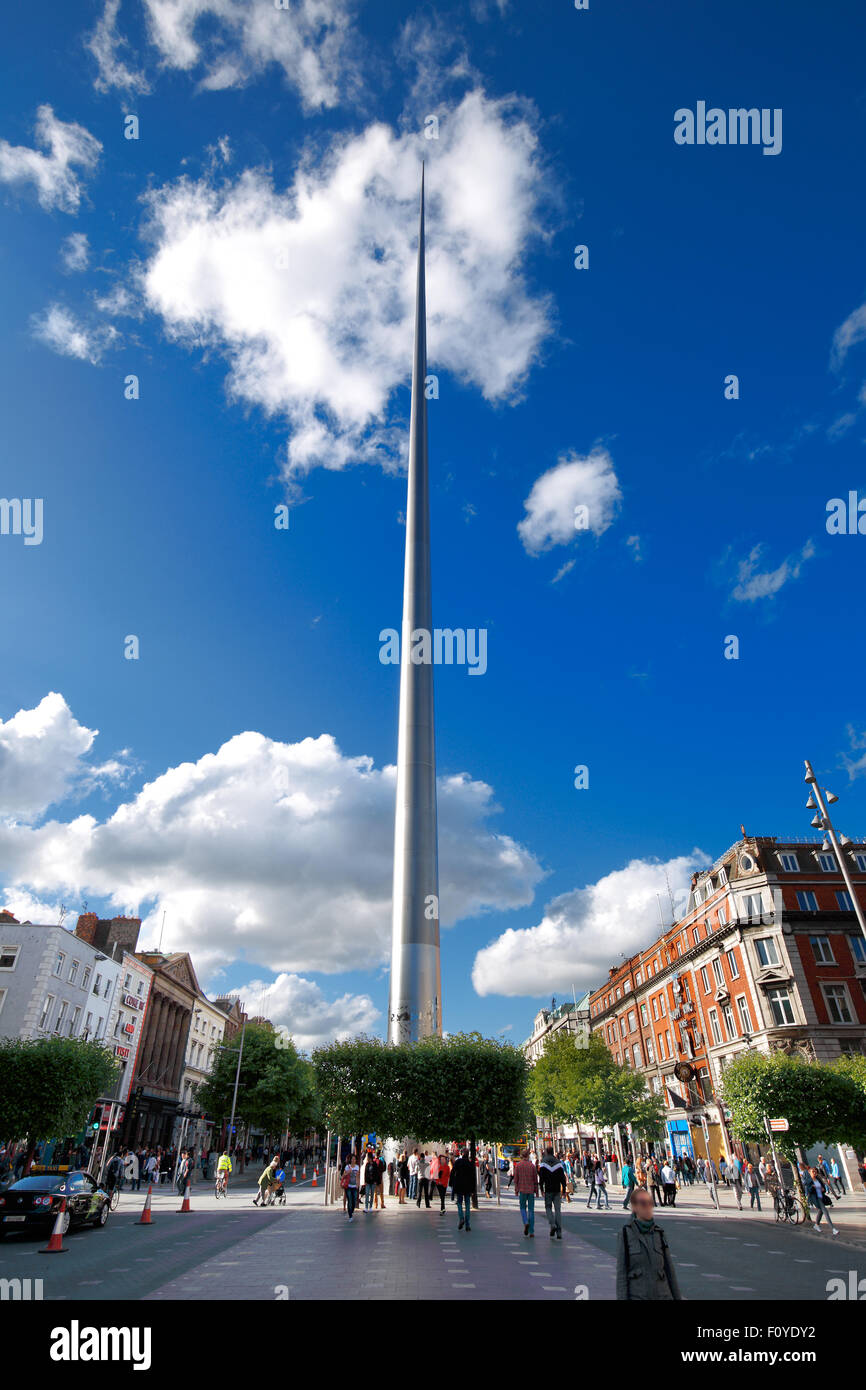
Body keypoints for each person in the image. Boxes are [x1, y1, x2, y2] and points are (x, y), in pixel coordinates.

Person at [616, 1188, 683, 1301]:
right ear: (635, 1207)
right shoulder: (626, 1234)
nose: (647, 1207)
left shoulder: (659, 1233)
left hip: (663, 1295)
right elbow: (621, 1275)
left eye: (650, 1203)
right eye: (643, 1203)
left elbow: (670, 1272)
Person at [539, 1147, 567, 1240]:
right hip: (557, 1189)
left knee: (548, 1207)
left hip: (548, 1189)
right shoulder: (558, 1163)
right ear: (553, 1152)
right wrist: (564, 1190)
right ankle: (559, 1233)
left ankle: (552, 1224)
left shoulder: (543, 1162)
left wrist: (541, 1189)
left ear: (546, 1152)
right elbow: (562, 1177)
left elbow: (541, 1177)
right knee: (558, 1210)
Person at [513, 1148, 539, 1237]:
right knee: (531, 1210)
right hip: (531, 1190)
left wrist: (516, 1190)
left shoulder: (518, 1166)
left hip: (522, 1190)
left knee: (523, 1208)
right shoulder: (532, 1166)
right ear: (528, 1156)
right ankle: (531, 1231)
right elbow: (535, 1180)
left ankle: (525, 1221)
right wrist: (537, 1191)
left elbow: (516, 1180)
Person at [807, 1166, 839, 1236]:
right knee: (825, 1211)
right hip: (816, 1198)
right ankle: (833, 1229)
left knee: (821, 1211)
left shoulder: (818, 1179)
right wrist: (812, 1187)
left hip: (821, 1197)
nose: (814, 1173)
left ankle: (816, 1225)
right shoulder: (809, 1181)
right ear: (809, 1173)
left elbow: (823, 1188)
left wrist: (823, 1189)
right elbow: (808, 1191)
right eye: (813, 1171)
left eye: (815, 1171)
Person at [449, 1148, 475, 1231]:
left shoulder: (458, 1162)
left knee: (459, 1203)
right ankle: (467, 1224)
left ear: (461, 1153)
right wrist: (473, 1189)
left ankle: (461, 1218)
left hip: (459, 1186)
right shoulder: (470, 1163)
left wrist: (451, 1183)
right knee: (467, 1205)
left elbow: (452, 1173)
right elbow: (473, 1177)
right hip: (468, 1187)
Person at [342, 1154, 359, 1220]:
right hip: (348, 1186)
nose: (353, 1160)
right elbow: (343, 1175)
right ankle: (350, 1215)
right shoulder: (347, 1167)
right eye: (352, 1159)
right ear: (350, 1160)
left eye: (354, 1159)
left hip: (354, 1186)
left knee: (354, 1199)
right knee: (350, 1200)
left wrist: (357, 1184)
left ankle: (352, 1210)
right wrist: (348, 1172)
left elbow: (357, 1176)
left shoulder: (357, 1167)